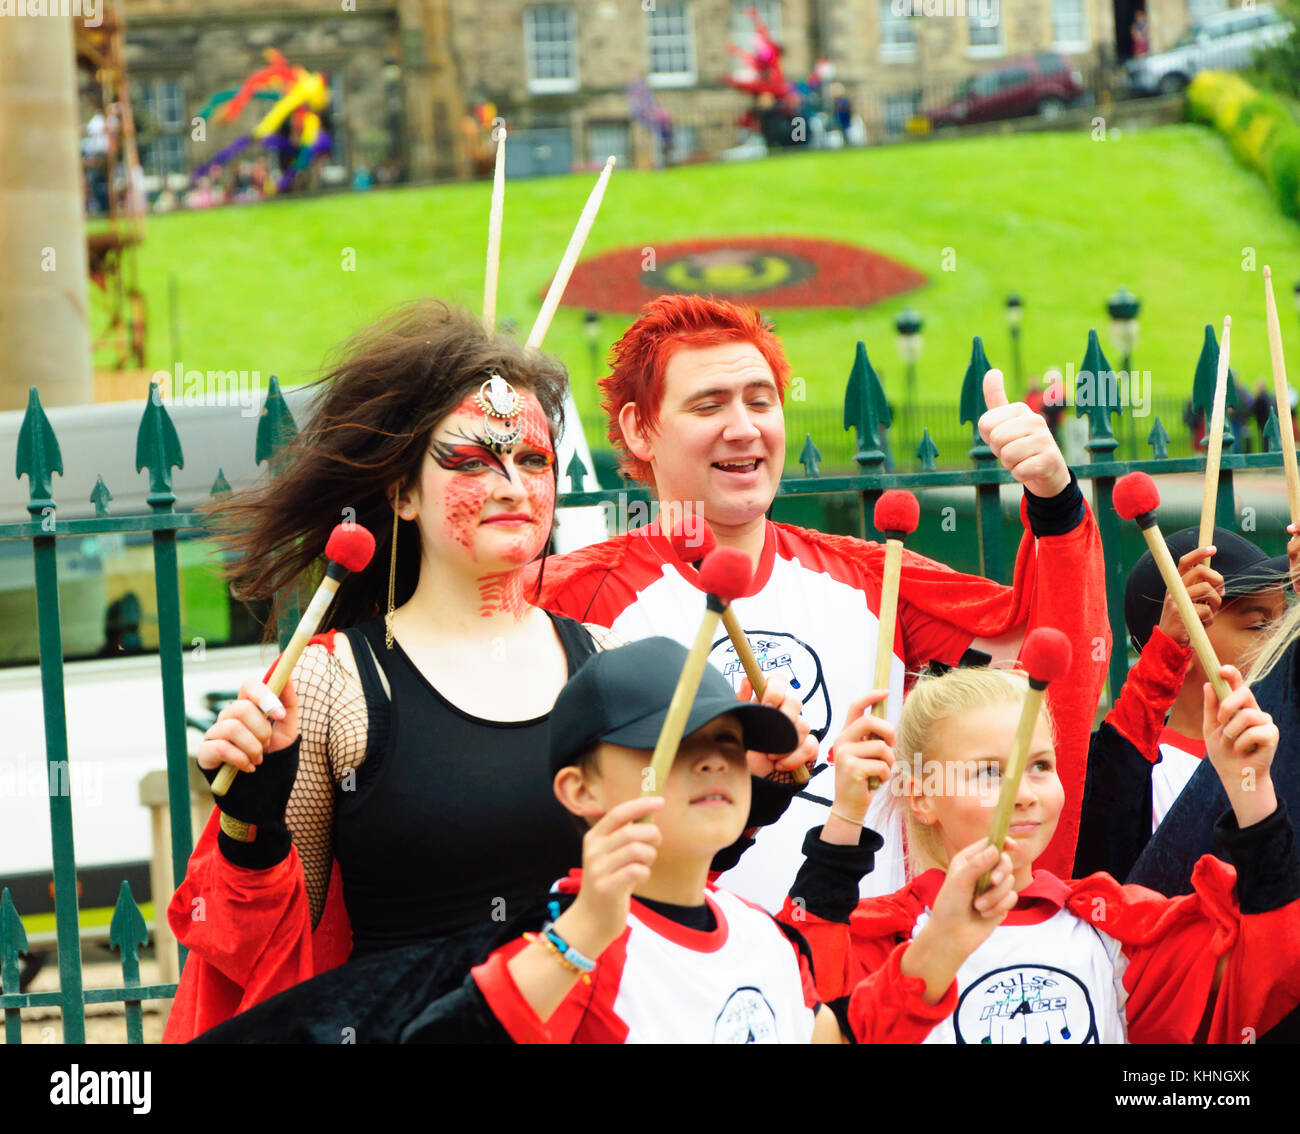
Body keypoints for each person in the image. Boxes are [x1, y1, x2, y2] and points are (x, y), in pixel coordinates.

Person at [528, 294, 1108, 908]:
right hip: (678, 978)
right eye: (709, 404)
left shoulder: (871, 577)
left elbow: (1039, 660)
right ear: (639, 430)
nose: (744, 427)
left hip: (866, 980)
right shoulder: (568, 600)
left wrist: (1054, 497)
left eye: (760, 401)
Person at [163, 301, 621, 1041]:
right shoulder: (331, 684)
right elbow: (271, 949)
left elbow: (672, 892)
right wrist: (251, 823)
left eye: (533, 460)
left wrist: (752, 784)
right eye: (472, 462)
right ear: (403, 494)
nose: (511, 485)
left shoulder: (609, 660)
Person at [190, 638, 850, 1043]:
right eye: (673, 745)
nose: (713, 762)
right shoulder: (568, 945)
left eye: (730, 746)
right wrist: (580, 934)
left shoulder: (764, 940)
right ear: (578, 791)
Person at [783, 663, 1300, 1044]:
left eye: (1040, 766)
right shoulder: (883, 939)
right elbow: (802, 1000)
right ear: (920, 796)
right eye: (990, 771)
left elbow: (1272, 973)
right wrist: (847, 811)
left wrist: (1248, 784)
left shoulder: (1118, 929)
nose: (1024, 793)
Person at [1074, 528, 1288, 879]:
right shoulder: (1143, 778)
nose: (1281, 641)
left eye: (1284, 622)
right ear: (1180, 648)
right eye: (1259, 625)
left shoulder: (1286, 741)